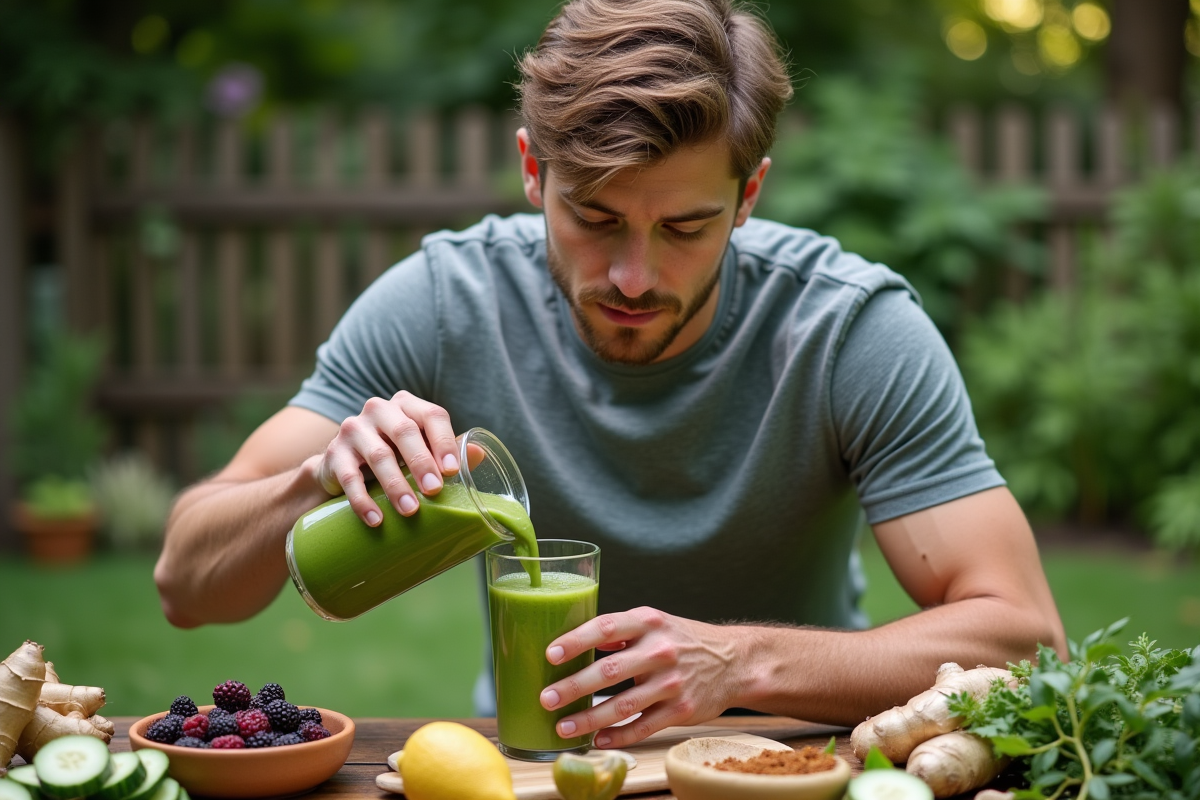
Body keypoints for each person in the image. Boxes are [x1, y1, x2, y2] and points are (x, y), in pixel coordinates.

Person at [155, 0, 1065, 750]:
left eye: (683, 228)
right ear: (530, 171)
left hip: (788, 763)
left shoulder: (848, 329)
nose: (633, 276)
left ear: (748, 196)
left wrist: (741, 665)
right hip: (531, 766)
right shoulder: (443, 300)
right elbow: (185, 586)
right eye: (594, 216)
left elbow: (1026, 639)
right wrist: (312, 481)